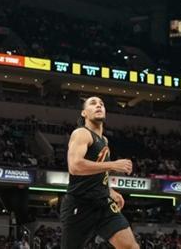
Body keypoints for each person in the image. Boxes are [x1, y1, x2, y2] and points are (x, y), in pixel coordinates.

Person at [61, 96, 138, 249]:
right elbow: (75, 166)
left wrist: (109, 190)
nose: (98, 105)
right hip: (80, 204)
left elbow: (97, 172)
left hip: (103, 203)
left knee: (130, 246)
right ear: (84, 113)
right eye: (93, 103)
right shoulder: (81, 133)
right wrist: (113, 164)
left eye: (101, 104)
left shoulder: (104, 140)